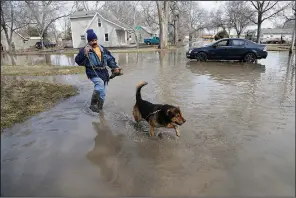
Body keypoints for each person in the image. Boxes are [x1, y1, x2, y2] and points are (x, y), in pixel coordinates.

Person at [75, 29, 122, 113]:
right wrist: (84, 54)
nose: (94, 42)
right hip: (92, 72)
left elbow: (110, 59)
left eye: (95, 40)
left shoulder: (102, 48)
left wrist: (115, 67)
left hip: (104, 72)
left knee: (103, 92)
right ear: (88, 41)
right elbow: (78, 61)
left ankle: (100, 110)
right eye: (92, 41)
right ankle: (92, 105)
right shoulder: (84, 50)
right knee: (99, 84)